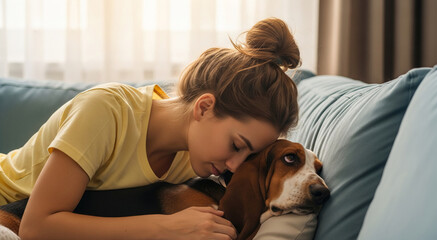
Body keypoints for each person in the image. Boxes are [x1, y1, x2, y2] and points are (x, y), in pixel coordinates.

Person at [0, 17, 300, 240]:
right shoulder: (107, 111)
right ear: (204, 107)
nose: (234, 165)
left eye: (250, 153)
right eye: (236, 145)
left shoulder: (196, 158)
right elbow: (36, 227)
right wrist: (167, 227)